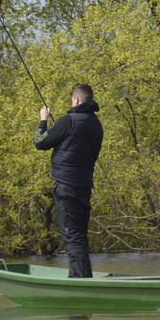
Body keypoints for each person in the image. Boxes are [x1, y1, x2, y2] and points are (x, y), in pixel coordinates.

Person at [34, 83, 103, 278]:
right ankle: (82, 278)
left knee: (72, 238)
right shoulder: (97, 126)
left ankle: (81, 284)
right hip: (84, 187)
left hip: (67, 188)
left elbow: (40, 142)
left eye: (72, 100)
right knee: (79, 237)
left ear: (76, 100)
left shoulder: (68, 121)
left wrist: (43, 120)